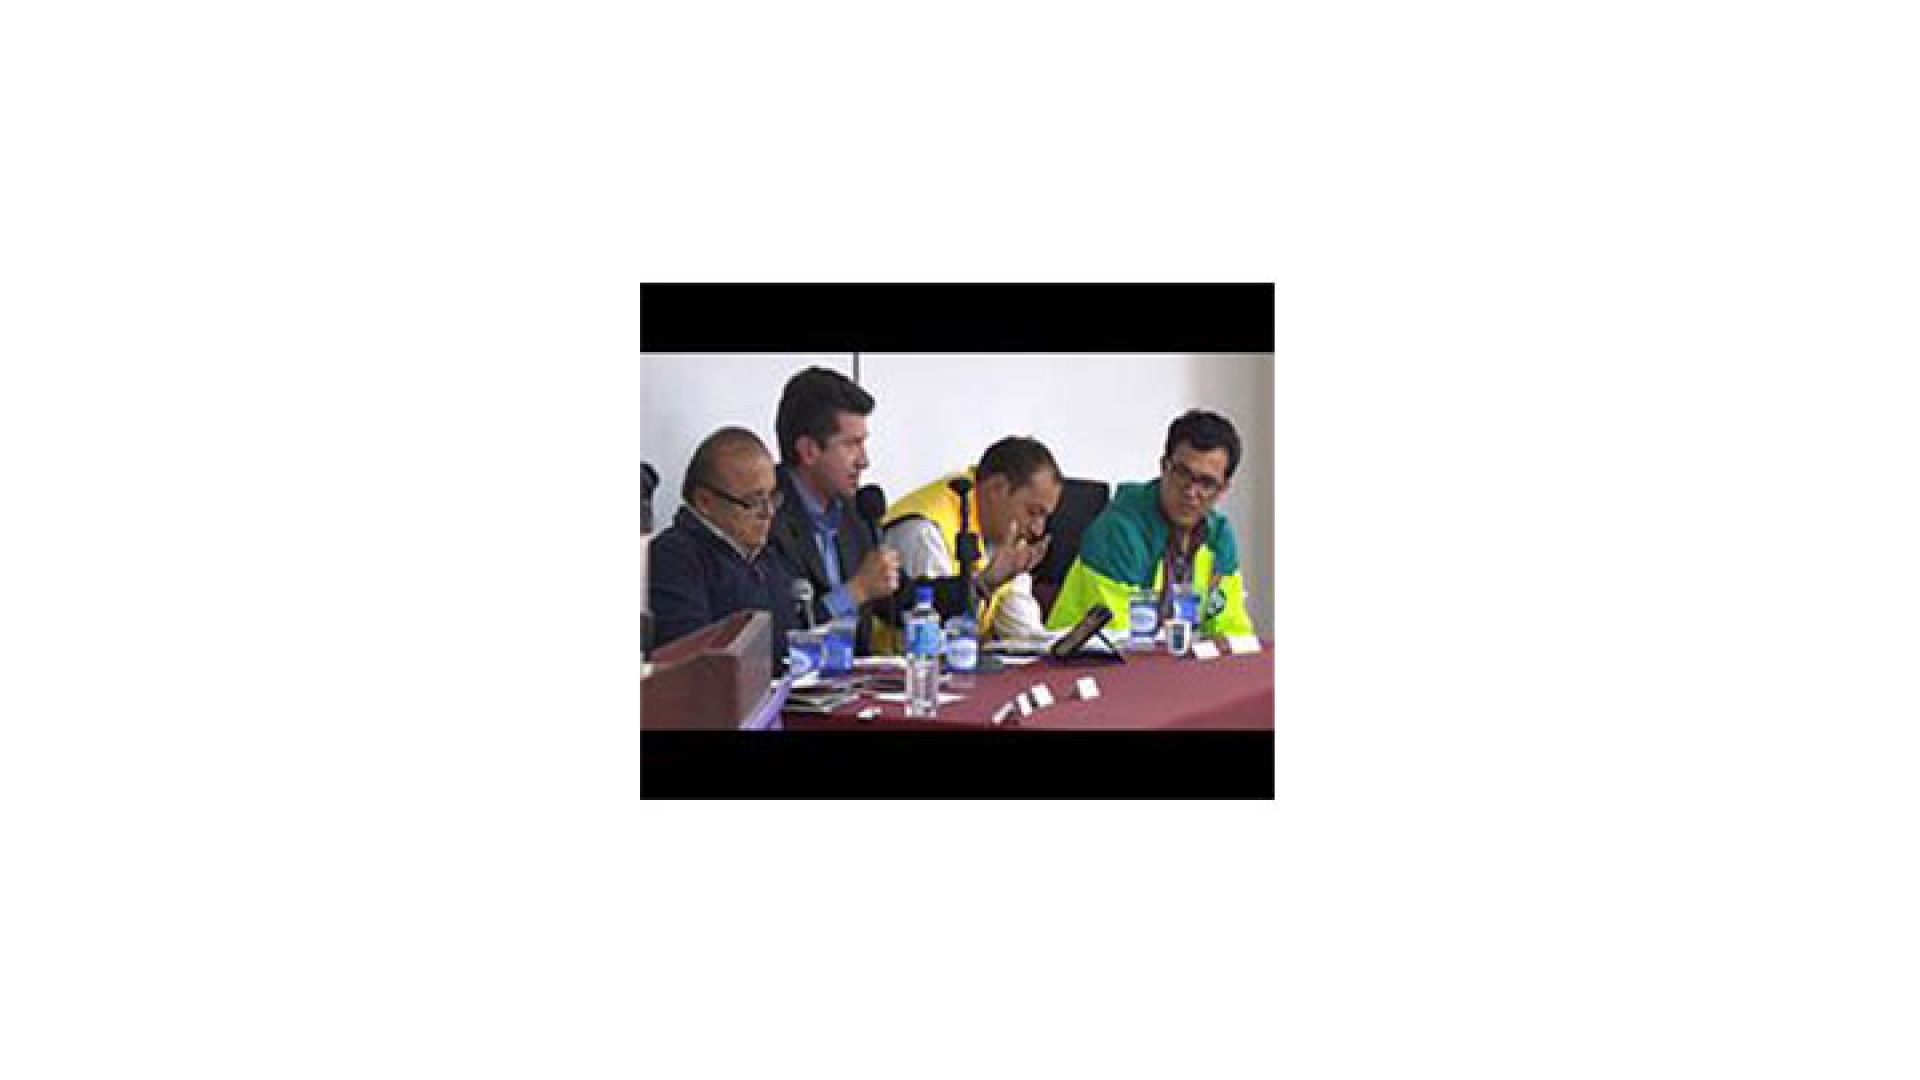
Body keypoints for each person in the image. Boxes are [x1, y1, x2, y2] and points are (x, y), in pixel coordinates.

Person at [1046, 409, 1255, 639]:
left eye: (1206, 483)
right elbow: (1120, 638)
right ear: (1164, 466)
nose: (1190, 491)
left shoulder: (1219, 538)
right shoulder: (1118, 531)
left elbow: (1233, 631)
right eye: (1182, 473)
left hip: (1167, 657)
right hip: (1081, 659)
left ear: (1223, 489)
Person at [765, 367, 903, 652]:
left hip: (856, 675)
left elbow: (902, 597)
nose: (864, 461)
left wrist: (979, 584)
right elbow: (779, 632)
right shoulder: (764, 515)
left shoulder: (855, 511)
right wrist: (856, 591)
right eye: (852, 444)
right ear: (809, 450)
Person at [880, 436, 1062, 645]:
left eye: (1044, 517)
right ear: (997, 489)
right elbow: (931, 632)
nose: (1038, 530)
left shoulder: (1004, 532)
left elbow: (1023, 632)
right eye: (1033, 512)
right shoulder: (925, 530)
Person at [647, 427, 797, 664]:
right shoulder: (674, 558)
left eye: (772, 497)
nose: (769, 512)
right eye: (753, 501)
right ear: (705, 501)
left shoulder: (766, 556)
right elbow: (691, 659)